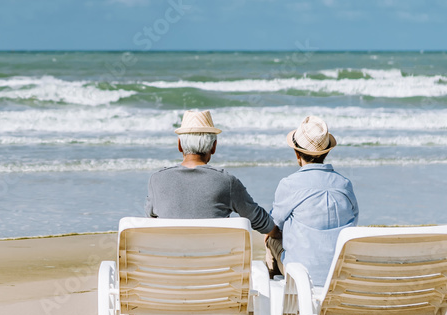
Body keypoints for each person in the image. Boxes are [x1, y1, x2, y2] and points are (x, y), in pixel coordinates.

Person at [146, 110, 274, 236]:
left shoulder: (157, 180)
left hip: (169, 255)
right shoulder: (227, 182)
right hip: (216, 255)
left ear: (179, 145)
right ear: (214, 147)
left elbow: (150, 220)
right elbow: (259, 221)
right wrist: (276, 233)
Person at [265, 115, 359, 285]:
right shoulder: (344, 184)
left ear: (296, 153)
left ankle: (277, 291)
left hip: (300, 276)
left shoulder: (289, 184)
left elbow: (273, 225)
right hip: (340, 272)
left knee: (270, 239)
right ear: (327, 152)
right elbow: (353, 221)